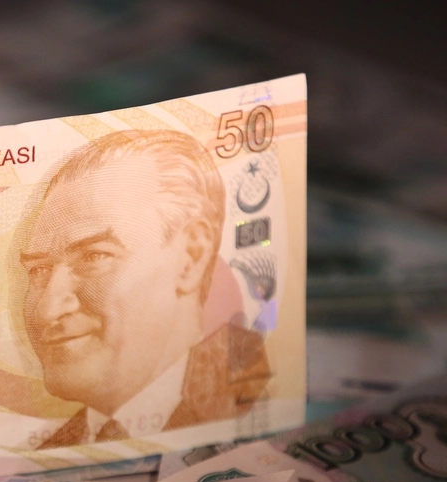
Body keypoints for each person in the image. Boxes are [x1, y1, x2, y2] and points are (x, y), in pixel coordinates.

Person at [21, 129, 271, 448]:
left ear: (191, 256)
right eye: (39, 270)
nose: (47, 309)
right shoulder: (47, 451)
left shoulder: (263, 401)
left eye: (94, 256)